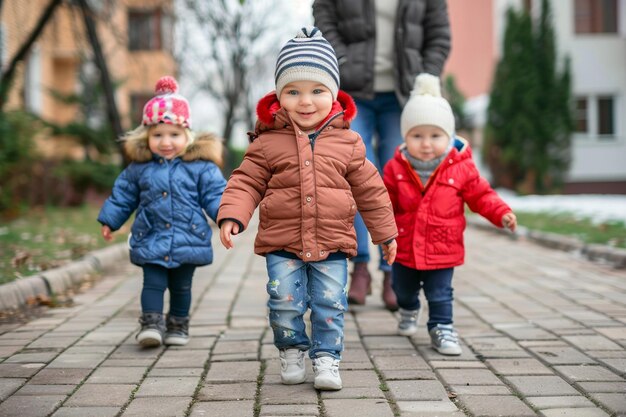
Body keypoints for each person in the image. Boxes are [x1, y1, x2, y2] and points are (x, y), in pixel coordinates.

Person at [217, 27, 397, 390]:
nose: (306, 101)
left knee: (330, 305)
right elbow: (246, 180)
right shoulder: (267, 143)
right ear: (279, 97)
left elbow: (371, 189)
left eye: (317, 90)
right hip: (282, 242)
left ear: (333, 95)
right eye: (293, 91)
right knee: (284, 303)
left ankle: (327, 359)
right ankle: (292, 349)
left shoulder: (348, 142)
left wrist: (385, 233)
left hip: (332, 242)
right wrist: (233, 215)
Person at [313, 0, 452, 311]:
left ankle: (393, 270)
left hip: (403, 94)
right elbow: (323, 11)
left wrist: (425, 79)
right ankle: (360, 265)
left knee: (397, 180)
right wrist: (342, 58)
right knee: (356, 175)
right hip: (353, 90)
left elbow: (439, 35)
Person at [383, 73, 517, 355]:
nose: (426, 143)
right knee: (402, 289)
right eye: (417, 135)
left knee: (440, 293)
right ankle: (408, 309)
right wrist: (383, 232)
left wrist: (501, 213)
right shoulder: (395, 169)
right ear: (406, 136)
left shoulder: (461, 168)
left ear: (450, 136)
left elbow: (482, 195)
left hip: (442, 247)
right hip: (404, 247)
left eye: (435, 135)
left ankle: (442, 328)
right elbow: (384, 203)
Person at [97, 76, 226, 347]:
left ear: (187, 135)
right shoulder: (139, 169)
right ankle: (152, 323)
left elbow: (215, 195)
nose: (166, 142)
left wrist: (225, 218)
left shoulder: (201, 167)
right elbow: (123, 196)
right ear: (147, 136)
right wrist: (111, 220)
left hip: (188, 237)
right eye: (158, 135)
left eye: (174, 134)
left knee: (182, 287)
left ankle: (178, 324)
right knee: (152, 283)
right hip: (151, 236)